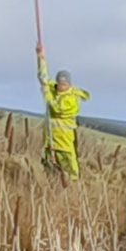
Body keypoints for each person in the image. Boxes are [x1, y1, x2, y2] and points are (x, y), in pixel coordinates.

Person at [36, 49, 89, 178]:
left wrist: (46, 94)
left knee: (70, 169)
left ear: (69, 84)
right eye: (60, 83)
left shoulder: (71, 98)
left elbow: (57, 109)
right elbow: (44, 79)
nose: (61, 86)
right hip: (50, 140)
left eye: (64, 84)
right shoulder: (55, 90)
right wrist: (40, 58)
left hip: (64, 142)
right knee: (50, 169)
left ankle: (72, 189)